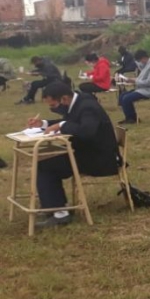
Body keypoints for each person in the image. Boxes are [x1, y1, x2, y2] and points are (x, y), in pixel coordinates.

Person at [23, 81, 119, 228]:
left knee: (46, 164)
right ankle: (53, 206)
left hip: (100, 159)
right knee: (45, 159)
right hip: (88, 153)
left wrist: (62, 125)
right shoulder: (78, 102)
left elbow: (86, 132)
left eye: (53, 105)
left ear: (64, 99)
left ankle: (59, 213)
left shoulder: (88, 107)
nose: (52, 109)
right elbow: (69, 122)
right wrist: (43, 124)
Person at [118, 49, 150, 124]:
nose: (140, 63)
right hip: (143, 89)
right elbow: (143, 79)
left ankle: (132, 119)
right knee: (122, 96)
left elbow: (149, 82)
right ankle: (129, 117)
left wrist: (135, 81)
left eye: (139, 60)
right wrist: (132, 80)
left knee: (126, 98)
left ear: (144, 58)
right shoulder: (147, 65)